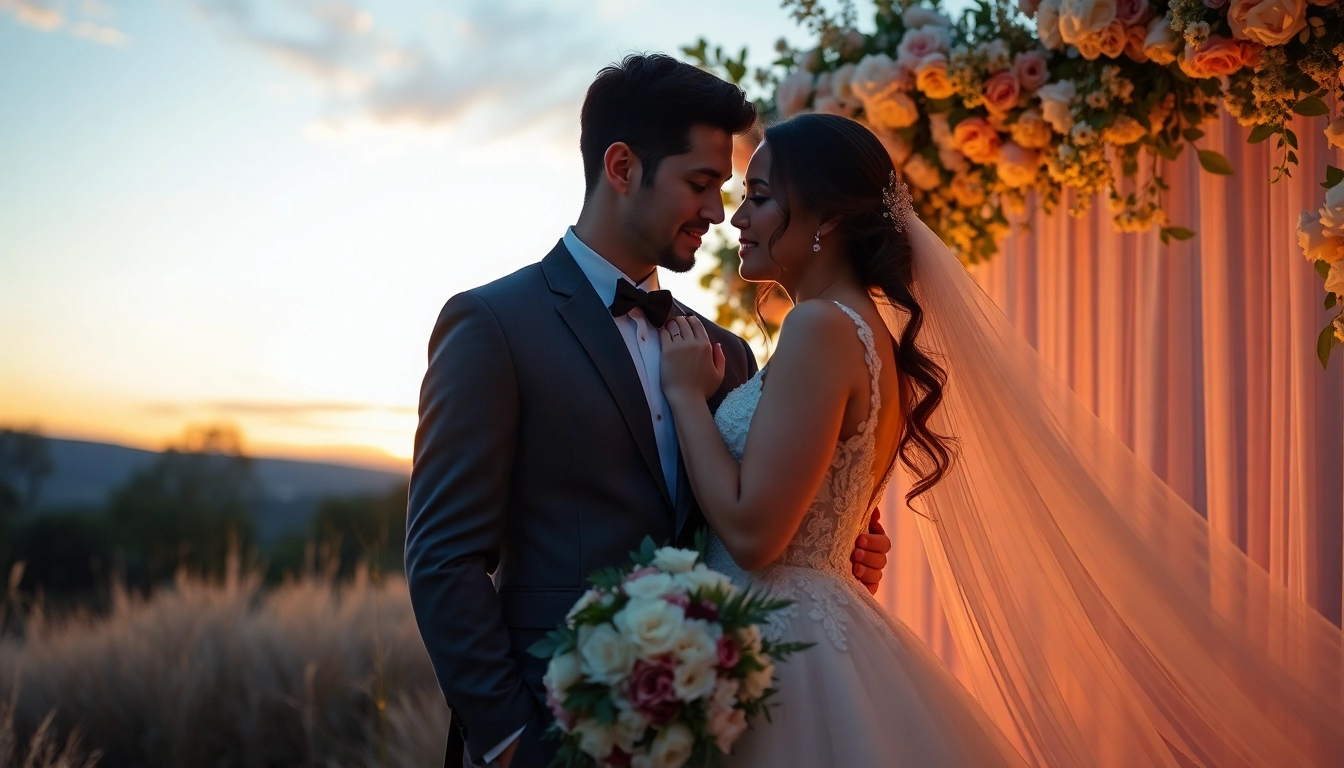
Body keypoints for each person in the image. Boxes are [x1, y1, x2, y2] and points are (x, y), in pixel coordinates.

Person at [659, 112, 1344, 766]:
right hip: (807, 628)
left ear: (829, 217)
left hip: (783, 646)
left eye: (759, 196)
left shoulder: (821, 328)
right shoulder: (868, 335)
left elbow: (754, 536)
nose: (737, 218)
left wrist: (688, 400)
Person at [403, 58, 892, 768]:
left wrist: (844, 549)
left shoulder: (727, 353)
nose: (718, 213)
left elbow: (759, 525)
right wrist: (509, 738)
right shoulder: (493, 325)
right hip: (549, 726)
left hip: (715, 729)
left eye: (727, 190)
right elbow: (443, 557)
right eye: (700, 184)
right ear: (623, 167)